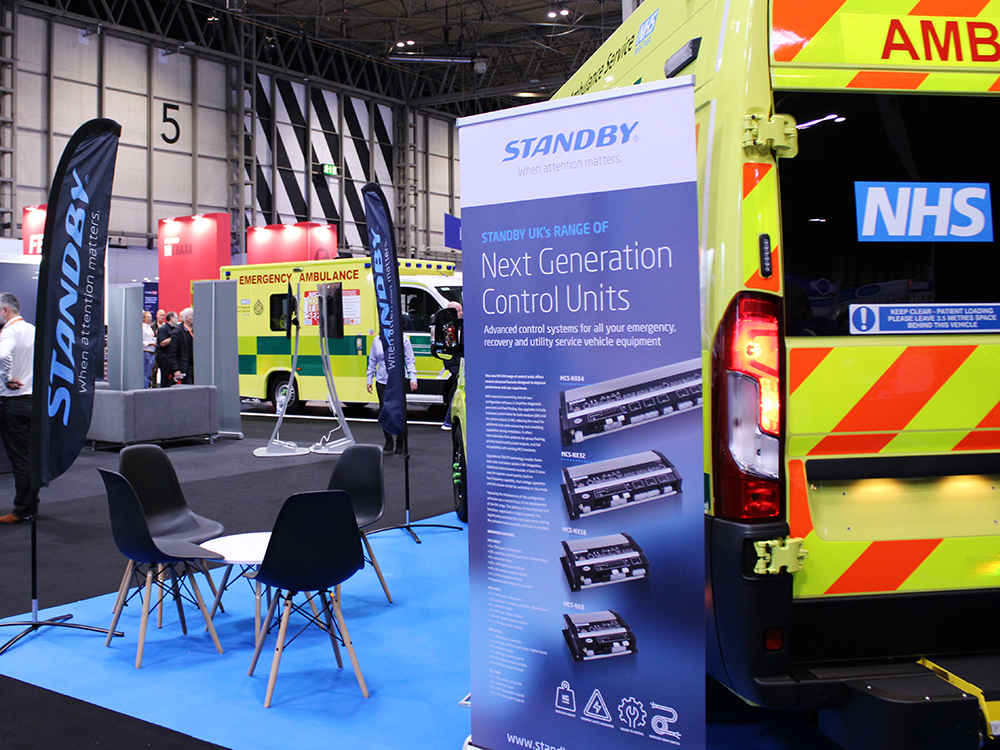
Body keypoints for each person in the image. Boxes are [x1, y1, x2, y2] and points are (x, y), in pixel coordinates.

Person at [0, 292, 38, 524]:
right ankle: (30, 505)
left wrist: (5, 378)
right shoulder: (32, 329)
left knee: (20, 459)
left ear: (5, 310)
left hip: (13, 403)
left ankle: (23, 509)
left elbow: (3, 354)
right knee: (28, 457)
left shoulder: (10, 331)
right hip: (31, 401)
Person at [366, 334, 417, 454]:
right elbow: (372, 360)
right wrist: (369, 379)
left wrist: (413, 377)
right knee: (384, 410)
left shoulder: (403, 339)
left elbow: (410, 359)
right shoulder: (377, 340)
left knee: (400, 410)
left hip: (398, 379)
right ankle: (388, 440)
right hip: (382, 380)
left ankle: (400, 440)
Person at [437, 301, 463, 430]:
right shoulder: (448, 328)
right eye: (459, 311)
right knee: (458, 392)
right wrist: (454, 366)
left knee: (457, 392)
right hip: (455, 364)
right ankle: (448, 421)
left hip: (457, 364)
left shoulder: (456, 326)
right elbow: (450, 349)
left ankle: (449, 420)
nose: (462, 313)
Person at [168, 307, 194, 385]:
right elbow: (172, 352)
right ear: (186, 318)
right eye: (192, 316)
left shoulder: (197, 330)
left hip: (196, 366)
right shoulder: (177, 332)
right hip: (185, 368)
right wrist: (176, 369)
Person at [155, 311, 177, 387]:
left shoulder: (174, 328)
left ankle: (168, 387)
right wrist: (174, 338)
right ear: (171, 318)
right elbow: (162, 343)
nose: (177, 320)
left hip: (170, 356)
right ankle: (164, 390)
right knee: (165, 376)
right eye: (176, 318)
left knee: (176, 375)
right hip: (163, 356)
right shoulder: (163, 329)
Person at [142, 311, 156, 387]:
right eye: (148, 317)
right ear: (144, 318)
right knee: (145, 373)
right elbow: (140, 342)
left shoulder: (150, 328)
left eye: (150, 317)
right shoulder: (142, 328)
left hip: (151, 352)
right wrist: (150, 343)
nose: (150, 319)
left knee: (149, 373)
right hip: (146, 352)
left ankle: (147, 386)